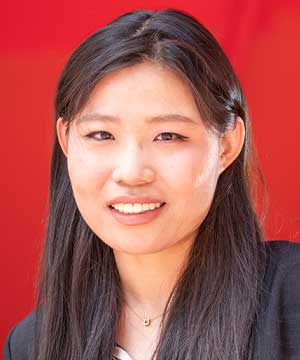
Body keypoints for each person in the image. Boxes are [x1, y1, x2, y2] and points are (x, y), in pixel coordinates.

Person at [3, 8, 300, 360]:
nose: (130, 172)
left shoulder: (291, 300)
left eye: (168, 136)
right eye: (101, 134)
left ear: (227, 144)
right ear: (66, 142)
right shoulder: (32, 344)